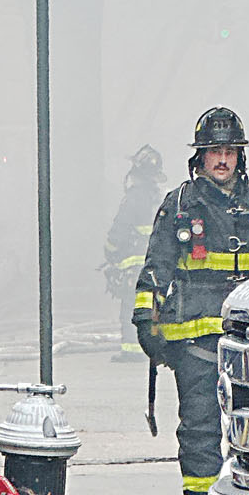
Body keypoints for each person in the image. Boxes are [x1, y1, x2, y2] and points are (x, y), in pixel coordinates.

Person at [134, 107, 249, 495]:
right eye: (214, 151)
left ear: (240, 156)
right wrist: (145, 321)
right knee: (201, 424)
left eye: (230, 151)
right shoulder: (180, 205)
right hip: (194, 341)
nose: (223, 159)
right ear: (200, 157)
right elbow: (156, 268)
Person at [103, 144, 166, 348]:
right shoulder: (159, 196)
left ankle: (131, 348)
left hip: (133, 265)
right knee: (152, 306)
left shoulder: (133, 198)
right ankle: (149, 346)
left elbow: (118, 231)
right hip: (154, 263)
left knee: (131, 307)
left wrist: (110, 252)